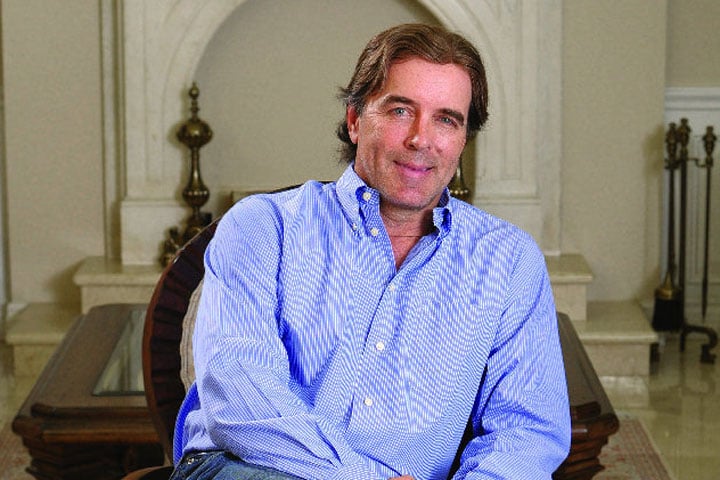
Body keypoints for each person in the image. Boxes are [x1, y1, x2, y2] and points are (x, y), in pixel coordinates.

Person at [170, 23, 570, 480]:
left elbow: (527, 432)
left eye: (446, 119)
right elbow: (240, 399)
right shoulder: (262, 227)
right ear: (355, 120)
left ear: (462, 140)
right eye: (401, 110)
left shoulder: (510, 260)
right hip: (247, 468)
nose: (421, 139)